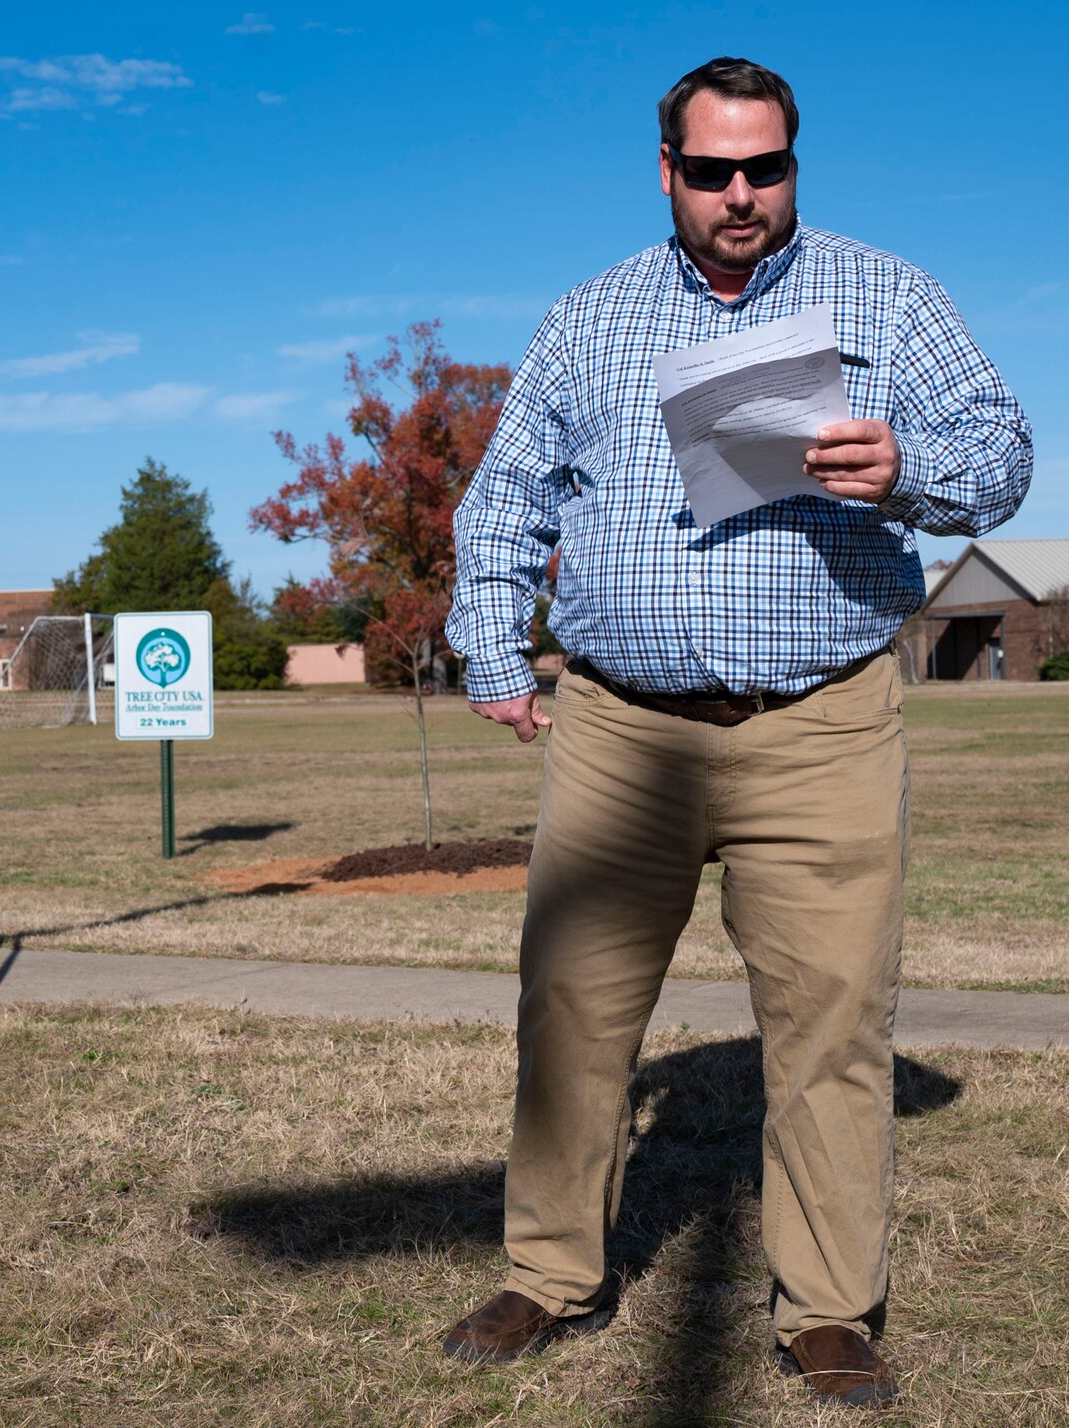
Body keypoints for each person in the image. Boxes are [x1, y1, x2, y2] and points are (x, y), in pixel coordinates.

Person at [441, 56, 1031, 1410]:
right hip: (618, 731)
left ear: (793, 167)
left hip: (820, 722)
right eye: (711, 171)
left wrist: (913, 470)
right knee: (575, 1011)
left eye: (765, 168)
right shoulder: (587, 319)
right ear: (667, 172)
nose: (740, 194)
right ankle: (548, 1271)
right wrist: (490, 650)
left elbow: (1001, 451)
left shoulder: (888, 294)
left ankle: (829, 1308)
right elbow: (505, 499)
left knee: (830, 1021)